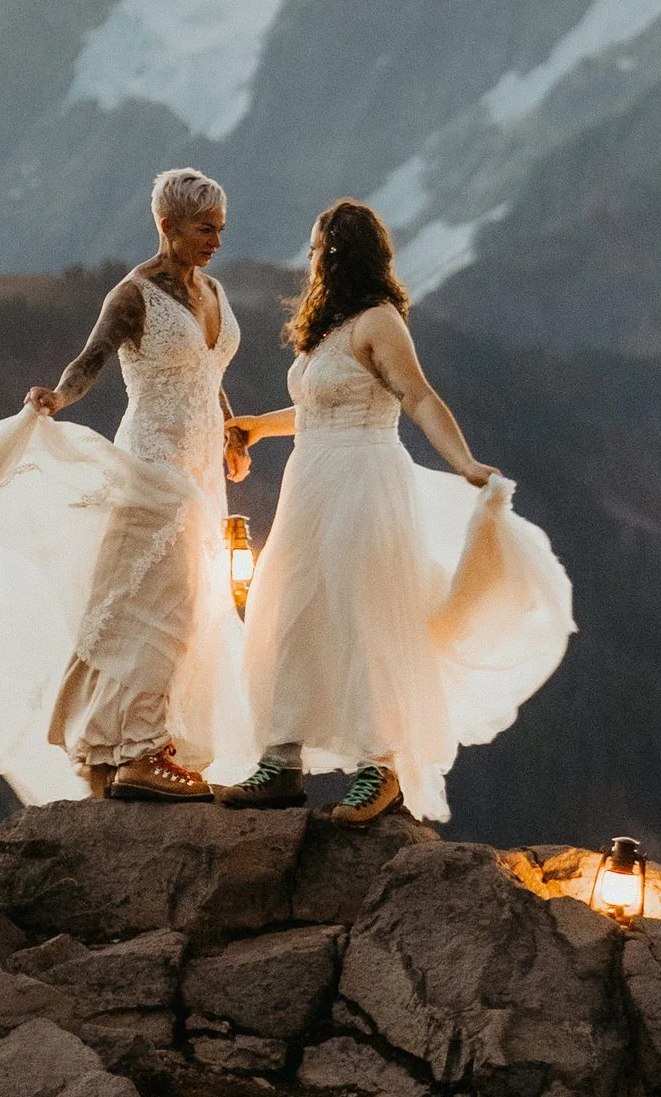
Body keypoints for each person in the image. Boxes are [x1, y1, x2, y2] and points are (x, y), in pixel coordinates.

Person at [0, 168, 251, 806]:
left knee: (190, 605)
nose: (216, 241)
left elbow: (205, 367)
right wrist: (59, 396)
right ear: (168, 227)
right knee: (153, 607)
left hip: (201, 470)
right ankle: (136, 754)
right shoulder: (134, 294)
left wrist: (229, 432)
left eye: (221, 229)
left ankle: (129, 748)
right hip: (155, 465)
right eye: (205, 229)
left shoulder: (214, 290)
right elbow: (91, 359)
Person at [217, 198, 571, 823]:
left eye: (315, 248)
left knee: (363, 614)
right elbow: (321, 409)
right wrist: (260, 427)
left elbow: (417, 396)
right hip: (312, 486)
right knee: (290, 610)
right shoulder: (331, 328)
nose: (308, 259)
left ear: (335, 255)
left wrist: (465, 464)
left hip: (364, 483)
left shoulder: (380, 322)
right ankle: (280, 760)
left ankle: (378, 765)